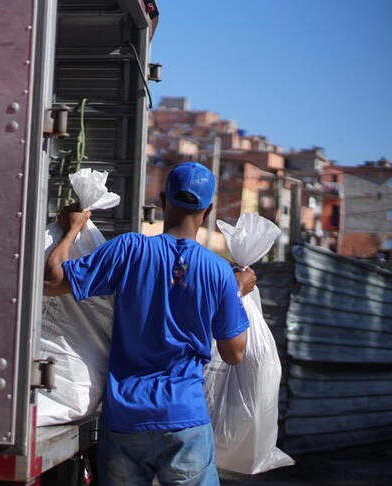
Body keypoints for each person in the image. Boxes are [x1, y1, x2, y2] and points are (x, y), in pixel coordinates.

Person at [44, 161, 255, 486]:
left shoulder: (129, 249)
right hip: (184, 418)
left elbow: (52, 279)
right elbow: (234, 353)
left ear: (161, 200)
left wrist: (73, 229)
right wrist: (237, 292)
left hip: (126, 417)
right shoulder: (218, 272)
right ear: (209, 209)